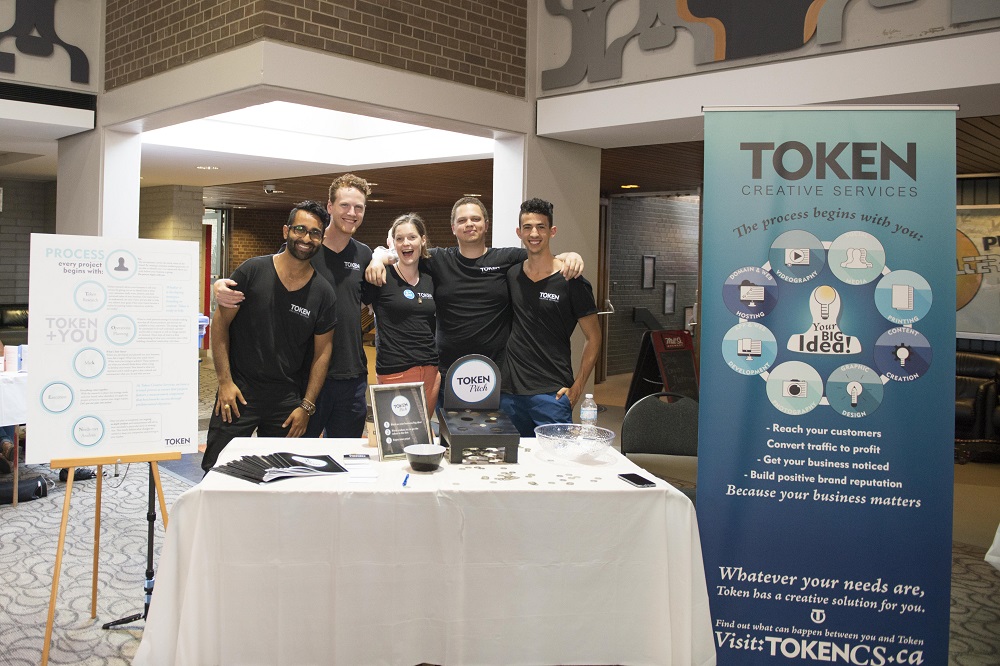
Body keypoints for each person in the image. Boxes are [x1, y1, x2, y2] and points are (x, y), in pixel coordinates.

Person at [215, 174, 373, 439]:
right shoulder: (304, 249)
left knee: (345, 456)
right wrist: (219, 286)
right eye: (345, 205)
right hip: (304, 378)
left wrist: (382, 256)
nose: (352, 213)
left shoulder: (365, 255)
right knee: (297, 457)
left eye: (359, 207)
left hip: (351, 375)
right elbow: (266, 274)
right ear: (330, 206)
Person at [366, 197, 584, 383]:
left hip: (495, 372)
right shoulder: (437, 259)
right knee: (445, 422)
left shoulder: (506, 258)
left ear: (486, 225)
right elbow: (401, 253)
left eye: (475, 219)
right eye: (462, 220)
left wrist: (569, 256)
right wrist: (377, 258)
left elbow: (541, 255)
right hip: (448, 370)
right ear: (453, 228)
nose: (469, 224)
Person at [203, 201, 337, 472]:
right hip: (238, 393)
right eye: (300, 229)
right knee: (218, 471)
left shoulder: (323, 292)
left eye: (315, 233)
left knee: (281, 475)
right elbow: (220, 325)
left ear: (321, 239)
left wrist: (306, 406)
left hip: (286, 401)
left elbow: (323, 353)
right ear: (286, 231)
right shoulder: (252, 272)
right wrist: (225, 382)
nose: (306, 238)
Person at [499, 198, 601, 436]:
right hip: (509, 394)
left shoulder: (571, 281)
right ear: (519, 232)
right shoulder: (511, 274)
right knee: (511, 458)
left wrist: (577, 388)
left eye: (541, 227)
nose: (534, 234)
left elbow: (594, 338)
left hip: (552, 395)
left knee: (556, 458)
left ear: (552, 231)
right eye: (527, 227)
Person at [362, 213, 439, 414]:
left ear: (423, 240)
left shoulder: (430, 278)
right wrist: (377, 258)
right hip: (395, 372)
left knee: (425, 432)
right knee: (398, 433)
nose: (406, 243)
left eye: (412, 237)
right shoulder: (381, 275)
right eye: (400, 238)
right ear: (393, 244)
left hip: (430, 372)